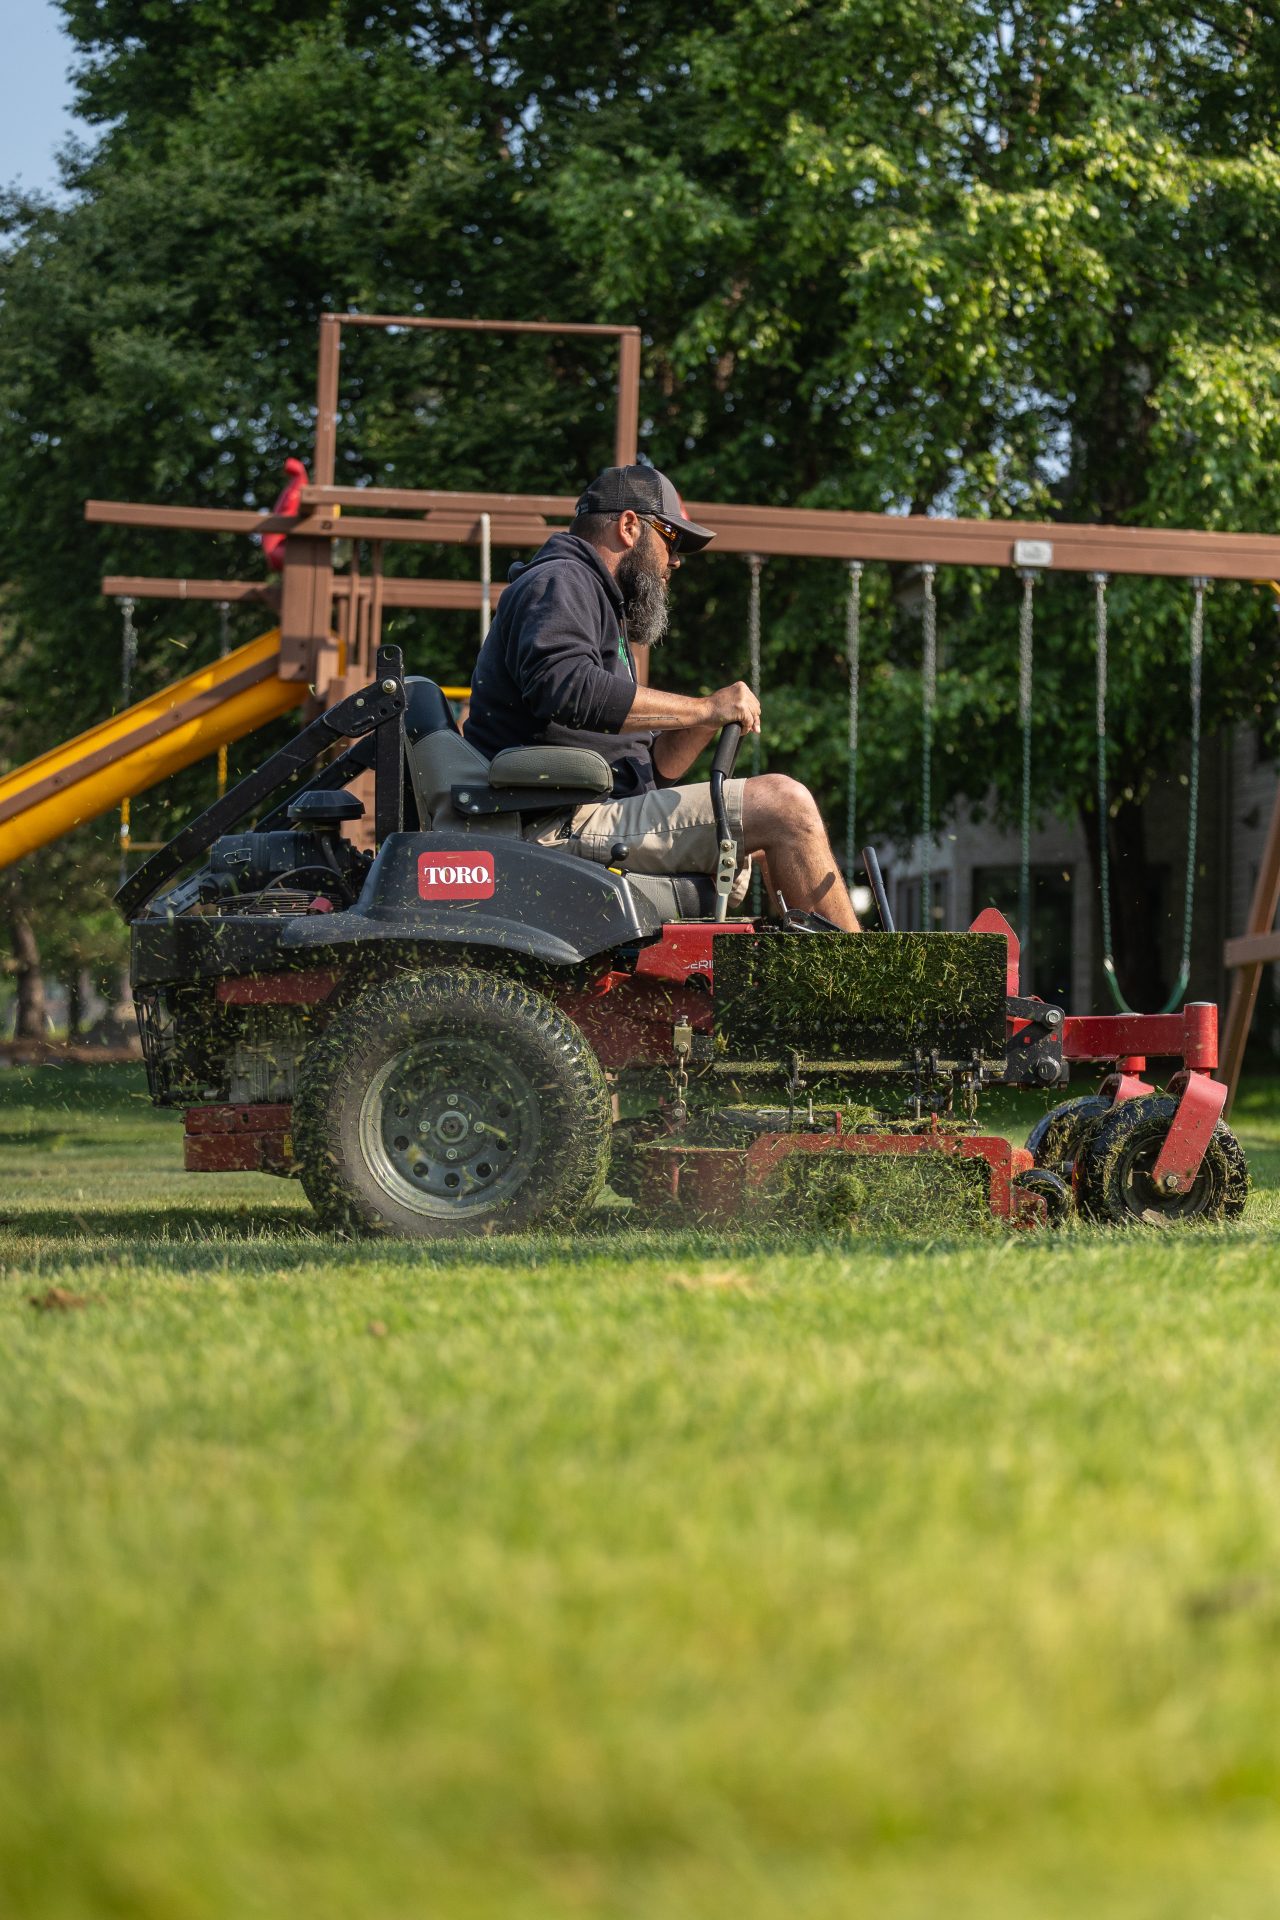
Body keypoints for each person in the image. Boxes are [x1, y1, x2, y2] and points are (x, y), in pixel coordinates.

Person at [463, 464, 860, 929]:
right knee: (783, 806)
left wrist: (704, 720)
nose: (676, 561)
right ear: (630, 526)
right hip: (552, 823)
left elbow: (656, 769)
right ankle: (861, 991)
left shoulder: (597, 603)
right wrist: (705, 707)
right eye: (671, 539)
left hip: (592, 809)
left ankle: (803, 986)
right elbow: (565, 686)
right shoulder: (562, 579)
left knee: (761, 818)